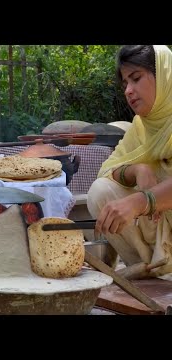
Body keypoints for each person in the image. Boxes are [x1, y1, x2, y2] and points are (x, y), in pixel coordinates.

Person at [87, 45, 172, 279]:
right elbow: (107, 170)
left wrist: (141, 201)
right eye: (125, 84)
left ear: (164, 75)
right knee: (101, 191)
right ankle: (154, 271)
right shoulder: (141, 127)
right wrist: (137, 170)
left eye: (136, 78)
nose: (129, 91)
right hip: (160, 236)